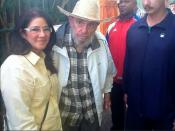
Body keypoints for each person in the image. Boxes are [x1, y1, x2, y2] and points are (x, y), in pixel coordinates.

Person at [52, 0, 116, 131]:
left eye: (91, 24)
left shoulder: (101, 42)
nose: (84, 30)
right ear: (71, 20)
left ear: (97, 25)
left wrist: (107, 94)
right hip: (65, 114)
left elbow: (109, 71)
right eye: (80, 22)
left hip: (90, 113)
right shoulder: (54, 41)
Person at [0, 8, 62, 130]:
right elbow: (22, 124)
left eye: (46, 29)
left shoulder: (45, 58)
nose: (42, 34)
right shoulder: (15, 67)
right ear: (23, 33)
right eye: (35, 29)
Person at [123, 0, 175, 130]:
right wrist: (126, 90)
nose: (146, 2)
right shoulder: (134, 29)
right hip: (136, 111)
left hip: (164, 113)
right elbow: (128, 64)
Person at [106, 0, 137, 130]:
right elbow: (106, 53)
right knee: (116, 113)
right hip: (114, 82)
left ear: (135, 4)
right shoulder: (111, 27)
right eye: (120, 2)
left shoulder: (138, 26)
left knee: (134, 114)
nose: (122, 4)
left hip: (133, 82)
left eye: (126, 1)